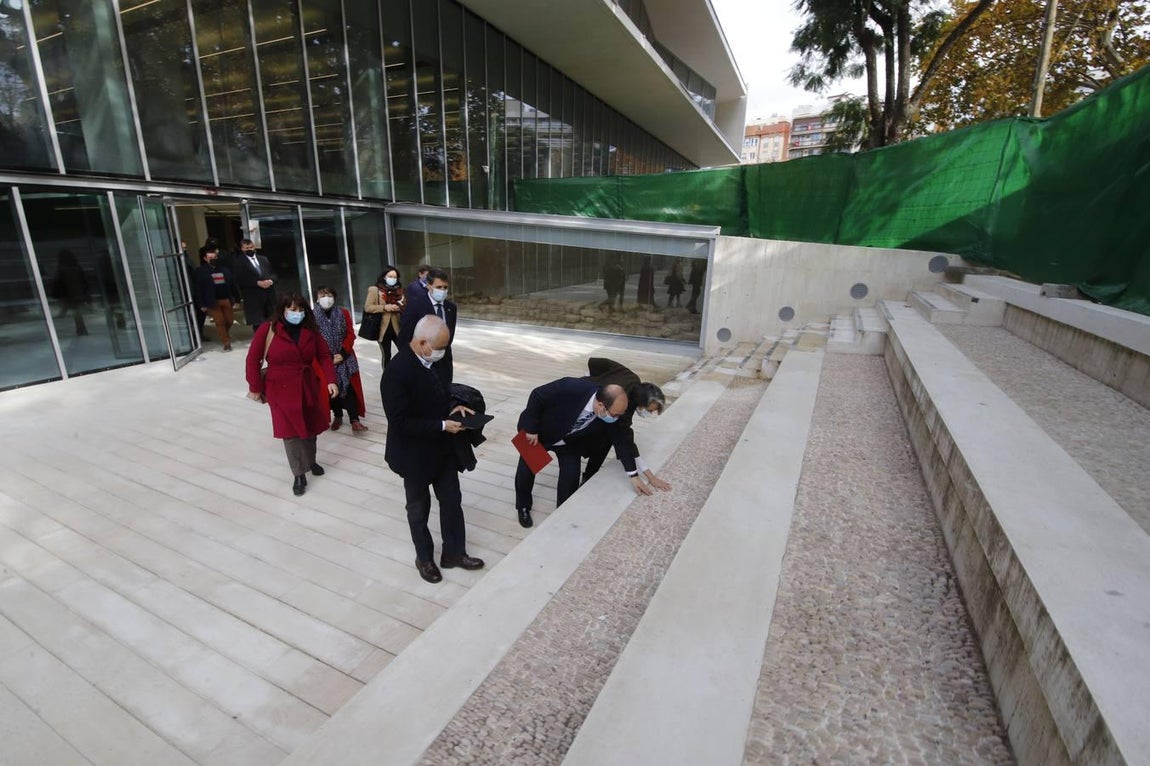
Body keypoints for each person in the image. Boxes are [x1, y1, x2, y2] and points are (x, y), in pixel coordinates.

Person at [382, 315, 485, 583]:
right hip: (414, 454)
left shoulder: (433, 363)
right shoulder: (396, 372)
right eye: (439, 347)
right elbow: (400, 422)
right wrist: (441, 425)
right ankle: (424, 558)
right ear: (422, 342)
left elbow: (441, 394)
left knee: (452, 501)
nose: (442, 352)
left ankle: (454, 552)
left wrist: (454, 408)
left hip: (443, 450)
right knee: (418, 509)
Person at [513, 379, 651, 529]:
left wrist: (633, 475)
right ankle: (523, 507)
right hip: (539, 433)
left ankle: (562, 512)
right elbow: (537, 394)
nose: (617, 418)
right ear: (600, 405)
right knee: (526, 470)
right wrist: (531, 429)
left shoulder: (612, 413)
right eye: (615, 414)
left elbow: (621, 442)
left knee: (571, 476)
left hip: (570, 441)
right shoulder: (573, 387)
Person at [245, 293, 339, 496]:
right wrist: (255, 386)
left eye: (300, 310)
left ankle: (311, 461)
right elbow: (252, 359)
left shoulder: (310, 330)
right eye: (292, 310)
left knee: (310, 427)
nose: (297, 314)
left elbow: (323, 355)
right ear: (283, 310)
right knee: (290, 432)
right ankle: (298, 473)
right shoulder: (268, 330)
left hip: (307, 385)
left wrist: (331, 380)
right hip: (280, 388)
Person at [580, 357, 671, 491]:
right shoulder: (622, 409)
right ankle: (587, 476)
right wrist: (592, 379)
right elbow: (626, 443)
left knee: (607, 437)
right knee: (603, 438)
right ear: (640, 404)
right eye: (649, 410)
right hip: (576, 406)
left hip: (591, 407)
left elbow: (625, 440)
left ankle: (588, 476)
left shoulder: (634, 382)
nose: (649, 414)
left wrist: (650, 477)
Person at [313, 285, 367, 432]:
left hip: (345, 356)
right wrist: (329, 357)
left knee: (349, 387)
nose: (326, 299)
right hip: (325, 360)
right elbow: (312, 340)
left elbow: (350, 334)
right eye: (322, 295)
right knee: (332, 389)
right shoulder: (312, 317)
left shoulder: (343, 313)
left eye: (329, 295)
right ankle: (337, 415)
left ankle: (355, 419)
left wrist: (342, 353)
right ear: (317, 298)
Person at [399, 267, 456, 386]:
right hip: (422, 361)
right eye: (439, 287)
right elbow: (404, 336)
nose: (443, 291)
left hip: (444, 362)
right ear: (429, 285)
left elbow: (449, 337)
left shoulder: (451, 308)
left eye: (445, 287)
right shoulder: (416, 305)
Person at [194, 244, 240, 350]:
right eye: (211, 258)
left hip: (226, 299)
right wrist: (201, 304)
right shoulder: (200, 271)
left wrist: (237, 299)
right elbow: (198, 289)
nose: (213, 260)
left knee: (229, 320)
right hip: (212, 301)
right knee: (220, 321)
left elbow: (232, 284)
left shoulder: (224, 269)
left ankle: (224, 333)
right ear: (205, 258)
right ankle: (226, 342)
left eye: (215, 258)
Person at [363, 267, 406, 368]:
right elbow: (368, 307)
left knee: (405, 352)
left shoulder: (399, 290)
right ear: (384, 277)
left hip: (397, 328)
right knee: (387, 355)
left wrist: (399, 307)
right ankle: (387, 376)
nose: (393, 279)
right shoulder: (374, 290)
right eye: (390, 276)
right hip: (382, 328)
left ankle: (403, 373)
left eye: (395, 277)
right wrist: (385, 307)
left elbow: (405, 305)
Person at [234, 238, 277, 327]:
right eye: (246, 248)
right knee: (259, 325)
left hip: (269, 296)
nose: (250, 249)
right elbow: (239, 279)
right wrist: (257, 283)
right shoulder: (238, 262)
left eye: (251, 247)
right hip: (253, 298)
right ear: (242, 249)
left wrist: (270, 281)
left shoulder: (263, 259)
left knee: (273, 322)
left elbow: (273, 273)